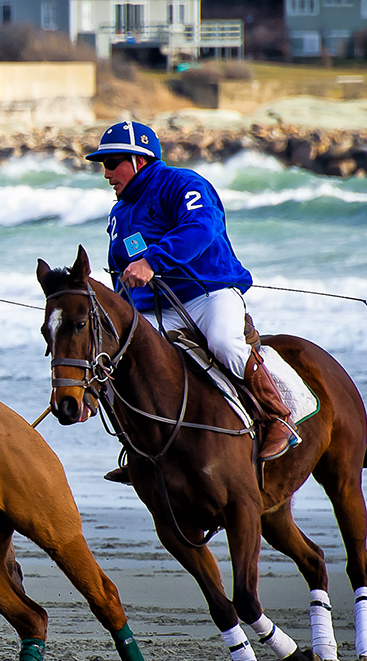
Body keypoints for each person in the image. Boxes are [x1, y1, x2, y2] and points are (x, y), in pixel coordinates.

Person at [85, 120, 301, 477]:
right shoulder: (120, 212)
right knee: (118, 359)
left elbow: (201, 228)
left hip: (209, 293)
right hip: (159, 308)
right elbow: (120, 271)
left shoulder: (183, 183)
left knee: (224, 343)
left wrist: (153, 261)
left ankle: (279, 417)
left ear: (138, 160)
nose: (106, 174)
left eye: (111, 164)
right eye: (102, 166)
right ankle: (136, 444)